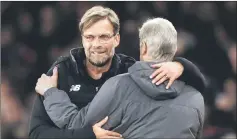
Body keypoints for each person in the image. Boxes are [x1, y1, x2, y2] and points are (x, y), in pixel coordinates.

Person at [29, 6, 206, 139]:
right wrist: (88, 135)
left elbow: (74, 122)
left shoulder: (127, 75)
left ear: (117, 39)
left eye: (104, 37)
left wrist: (181, 65)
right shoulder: (60, 72)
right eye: (90, 37)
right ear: (82, 39)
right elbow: (37, 133)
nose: (96, 44)